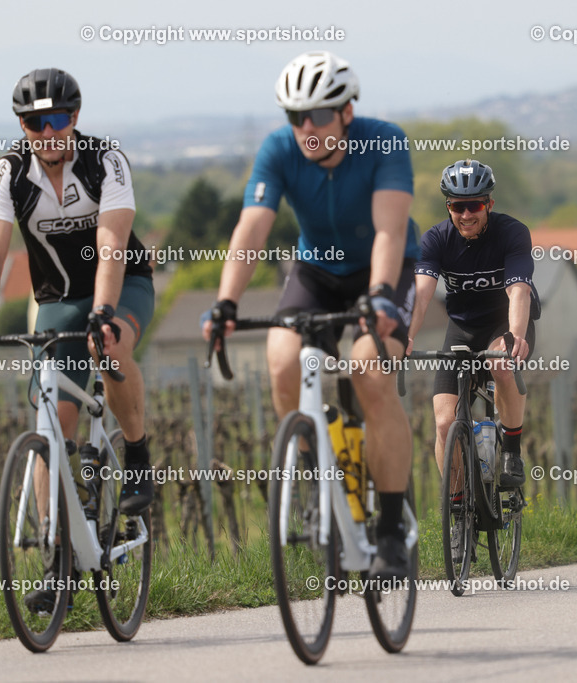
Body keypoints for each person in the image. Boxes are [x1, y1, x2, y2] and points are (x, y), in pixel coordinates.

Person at [202, 51, 419, 580]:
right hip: (317, 271)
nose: (306, 128)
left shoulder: (383, 140)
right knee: (281, 359)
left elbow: (390, 230)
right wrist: (227, 301)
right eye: (295, 116)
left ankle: (390, 527)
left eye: (318, 115)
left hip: (384, 272)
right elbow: (252, 228)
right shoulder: (278, 149)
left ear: (346, 112)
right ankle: (317, 474)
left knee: (371, 373)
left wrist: (383, 295)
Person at [0, 68, 155, 611]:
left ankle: (136, 454)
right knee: (51, 423)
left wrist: (105, 312)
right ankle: (59, 556)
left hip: (124, 282)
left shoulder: (104, 160)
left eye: (58, 120)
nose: (48, 132)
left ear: (75, 119)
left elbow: (112, 242)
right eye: (34, 123)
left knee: (109, 346)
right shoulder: (9, 174)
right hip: (56, 299)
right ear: (21, 125)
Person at [407, 159, 536, 560]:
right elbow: (423, 292)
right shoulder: (435, 240)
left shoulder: (512, 233)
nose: (465, 214)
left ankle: (511, 450)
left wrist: (514, 335)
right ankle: (459, 510)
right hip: (461, 329)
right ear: (448, 207)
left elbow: (518, 291)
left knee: (500, 364)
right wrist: (405, 335)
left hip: (506, 322)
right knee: (445, 422)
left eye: (474, 205)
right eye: (457, 206)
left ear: (489, 204)